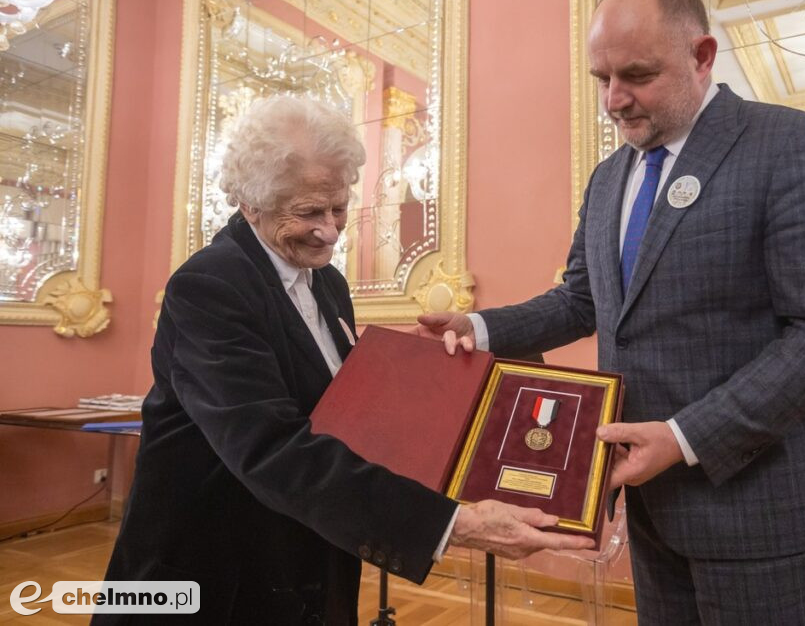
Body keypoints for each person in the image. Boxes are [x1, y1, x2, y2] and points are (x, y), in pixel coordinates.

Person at [417, 0, 805, 624]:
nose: (614, 99)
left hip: (759, 509)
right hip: (651, 506)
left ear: (702, 56)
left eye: (636, 75)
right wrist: (480, 327)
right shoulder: (609, 178)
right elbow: (582, 299)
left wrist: (685, 436)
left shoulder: (789, 144)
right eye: (601, 78)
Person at [97, 96, 592, 625]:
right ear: (251, 204)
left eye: (338, 207)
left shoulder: (327, 282)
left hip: (309, 564)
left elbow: (341, 408)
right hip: (213, 576)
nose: (332, 231)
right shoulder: (210, 285)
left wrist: (416, 370)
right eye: (309, 212)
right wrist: (454, 525)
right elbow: (271, 449)